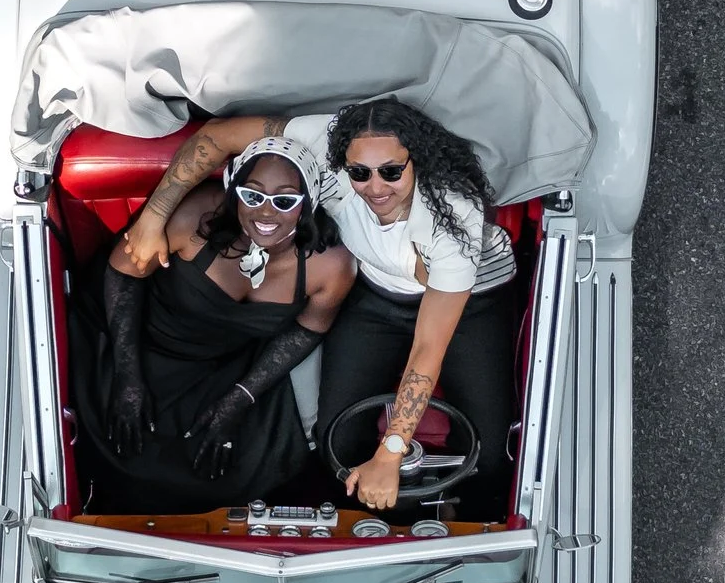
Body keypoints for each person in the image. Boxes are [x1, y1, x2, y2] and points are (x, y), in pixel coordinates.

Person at [113, 96, 516, 518]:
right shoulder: (325, 140)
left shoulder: (452, 214)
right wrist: (152, 219)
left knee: (486, 456)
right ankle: (368, 526)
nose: (375, 187)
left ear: (418, 160)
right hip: (377, 295)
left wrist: (392, 451)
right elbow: (218, 137)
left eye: (392, 172)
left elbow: (426, 349)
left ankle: (459, 519)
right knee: (336, 443)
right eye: (359, 173)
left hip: (471, 304)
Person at [76, 143, 355, 515]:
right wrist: (128, 377)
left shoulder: (330, 265)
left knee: (241, 456)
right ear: (233, 190)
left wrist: (238, 400)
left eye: (285, 201)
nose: (266, 212)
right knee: (127, 442)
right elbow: (123, 276)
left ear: (308, 201)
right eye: (252, 195)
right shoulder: (194, 219)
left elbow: (306, 331)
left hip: (227, 362)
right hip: (141, 339)